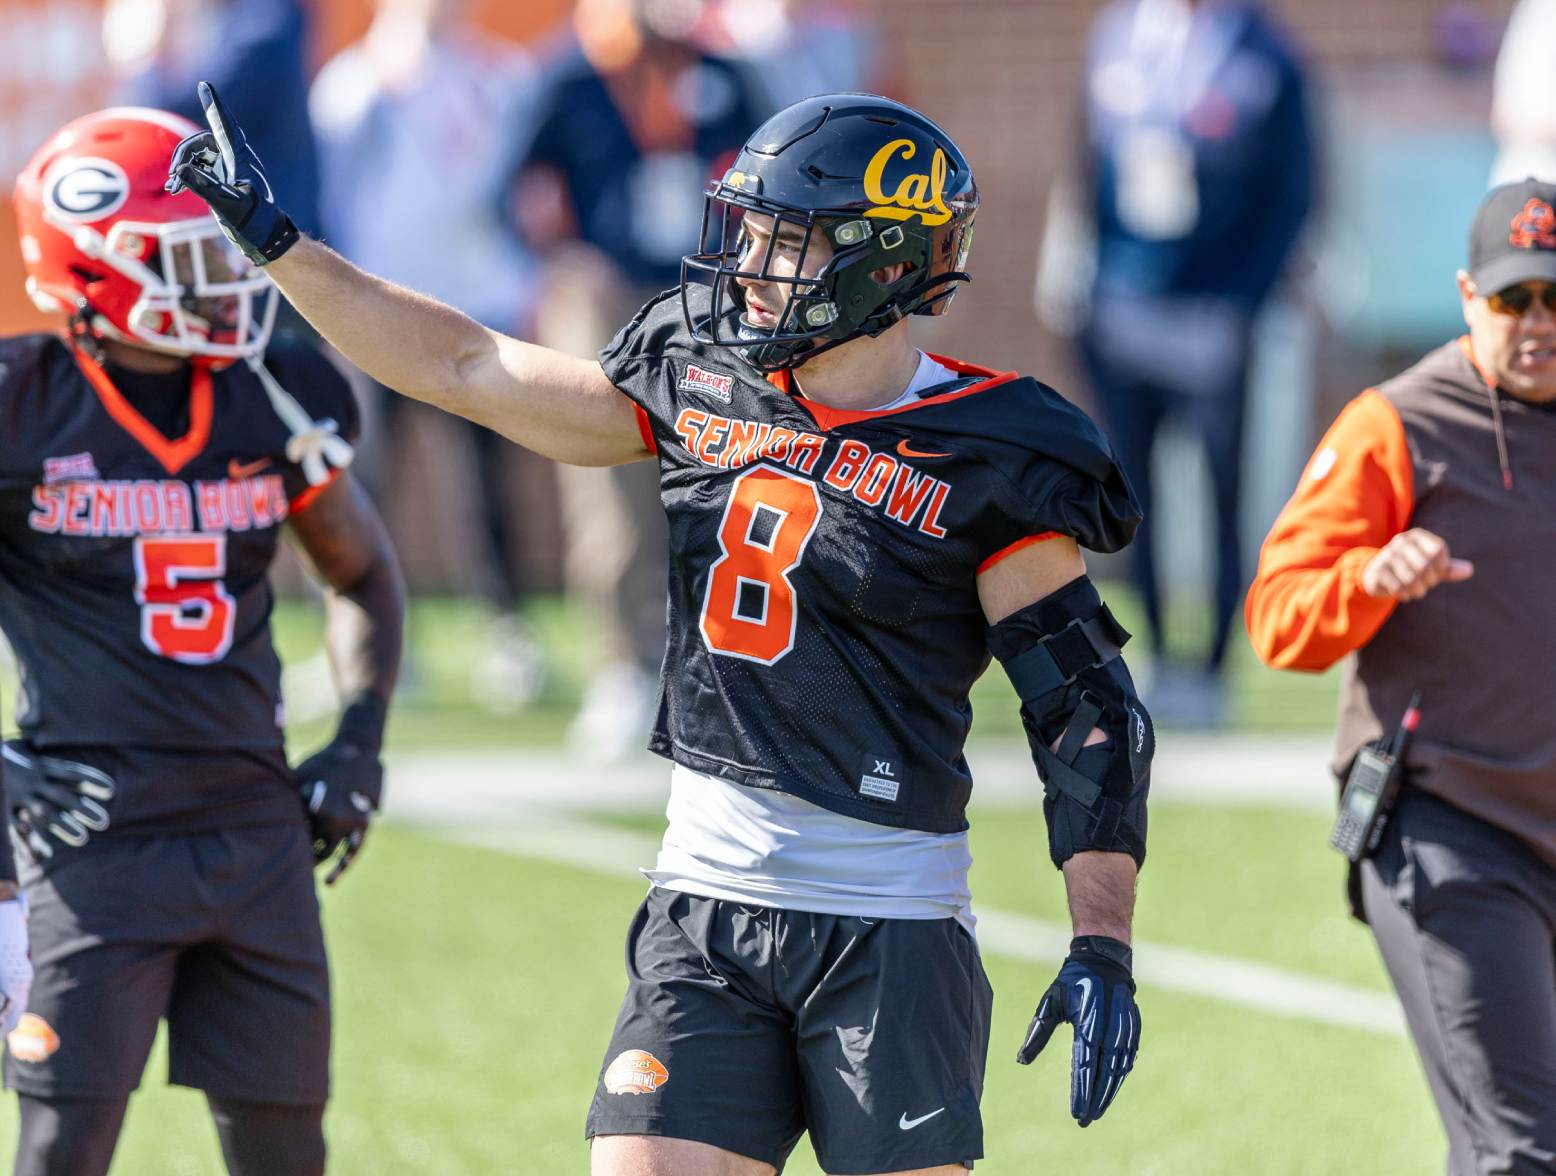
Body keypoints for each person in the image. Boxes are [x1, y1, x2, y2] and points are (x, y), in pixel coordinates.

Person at [171, 85, 1153, 1175]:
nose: (748, 269)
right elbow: (466, 366)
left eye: (783, 242)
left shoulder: (993, 450)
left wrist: (1098, 942)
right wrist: (280, 246)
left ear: (881, 263)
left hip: (888, 927)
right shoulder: (700, 376)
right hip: (703, 910)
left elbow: (1084, 713)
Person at [4, 107, 404, 1176]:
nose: (221, 284)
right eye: (182, 261)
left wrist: (358, 740)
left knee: (285, 1151)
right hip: (89, 832)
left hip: (252, 824)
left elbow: (360, 572)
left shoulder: (272, 389)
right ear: (91, 263)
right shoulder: (19, 404)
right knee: (62, 1146)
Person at [1246, 178, 1556, 1175]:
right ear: (1467, 295)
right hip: (1449, 823)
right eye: (1514, 299)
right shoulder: (1397, 423)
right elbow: (1275, 619)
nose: (1536, 323)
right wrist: (1367, 578)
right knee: (1515, 1152)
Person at [1042, 0, 1312, 725]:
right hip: (1125, 301)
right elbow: (1087, 160)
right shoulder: (1119, 34)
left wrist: (1245, 302)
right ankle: (1160, 659)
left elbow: (1294, 188)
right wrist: (1080, 278)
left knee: (1223, 493)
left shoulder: (1262, 49)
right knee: (1133, 495)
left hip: (1215, 307)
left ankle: (1214, 670)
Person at [511, 0, 767, 758]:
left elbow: (769, 183)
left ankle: (724, 665)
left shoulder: (723, 75)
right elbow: (517, 188)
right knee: (612, 491)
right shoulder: (575, 81)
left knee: (729, 476)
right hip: (608, 295)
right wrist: (563, 258)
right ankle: (622, 670)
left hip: (705, 294)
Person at [310, 0, 550, 711]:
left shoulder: (502, 77)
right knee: (368, 475)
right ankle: (366, 638)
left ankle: (510, 635)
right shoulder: (354, 83)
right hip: (380, 307)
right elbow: (332, 197)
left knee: (486, 483)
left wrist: (524, 277)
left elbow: (521, 190)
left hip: (479, 306)